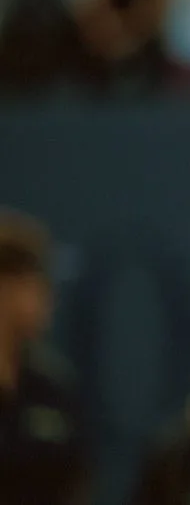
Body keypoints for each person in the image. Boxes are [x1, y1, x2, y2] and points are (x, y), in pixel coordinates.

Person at [0, 209, 88, 505]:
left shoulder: (54, 387)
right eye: (40, 283)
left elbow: (76, 484)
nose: (51, 299)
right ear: (7, 286)